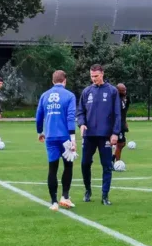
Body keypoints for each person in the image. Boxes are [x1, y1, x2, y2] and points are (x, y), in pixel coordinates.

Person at [77, 64, 121, 205]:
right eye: (91, 76)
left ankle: (105, 196)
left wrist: (115, 133)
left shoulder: (112, 91)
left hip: (105, 135)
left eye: (96, 76)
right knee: (85, 163)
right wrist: (82, 123)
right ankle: (88, 190)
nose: (93, 79)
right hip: (89, 135)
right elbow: (80, 111)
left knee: (107, 165)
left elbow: (117, 114)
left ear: (102, 74)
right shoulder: (86, 91)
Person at [36, 70, 78, 211]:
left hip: (50, 137)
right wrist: (73, 138)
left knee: (52, 168)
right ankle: (65, 197)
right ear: (64, 81)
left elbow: (38, 116)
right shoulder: (70, 95)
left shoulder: (44, 95)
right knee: (68, 166)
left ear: (53, 81)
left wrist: (40, 132)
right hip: (65, 137)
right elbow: (70, 117)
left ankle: (53, 202)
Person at [113, 83, 129, 165]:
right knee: (120, 143)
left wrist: (125, 121)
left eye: (125, 89)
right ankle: (116, 162)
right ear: (118, 91)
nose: (125, 91)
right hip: (117, 124)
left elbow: (123, 112)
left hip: (122, 123)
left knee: (122, 143)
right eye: (123, 90)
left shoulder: (124, 98)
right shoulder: (116, 100)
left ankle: (114, 159)